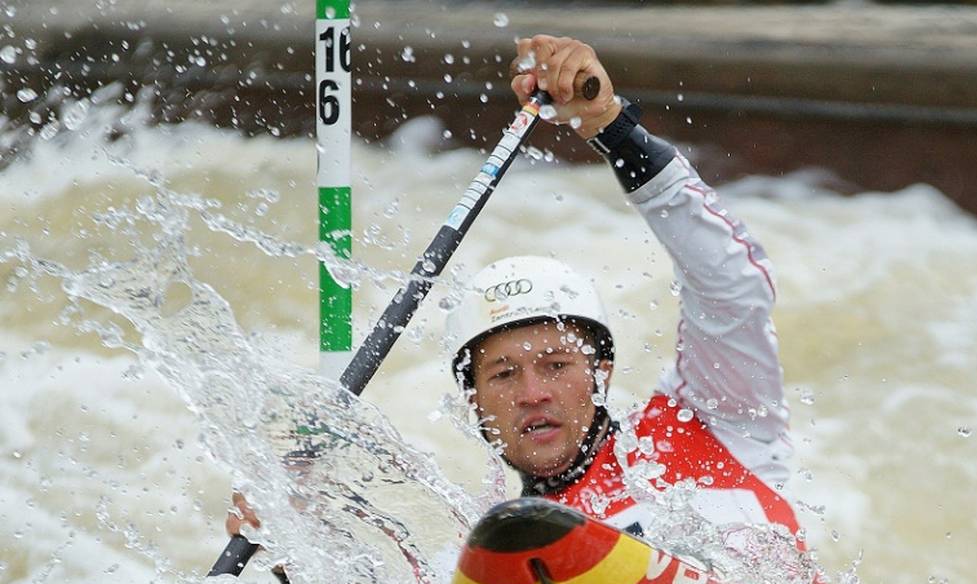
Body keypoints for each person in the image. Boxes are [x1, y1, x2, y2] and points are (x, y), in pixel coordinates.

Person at [228, 34, 801, 545]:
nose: (533, 393)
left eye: (555, 365)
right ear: (473, 401)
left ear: (600, 373)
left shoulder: (714, 422)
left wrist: (612, 128)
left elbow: (732, 286)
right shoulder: (492, 558)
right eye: (503, 374)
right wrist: (296, 548)